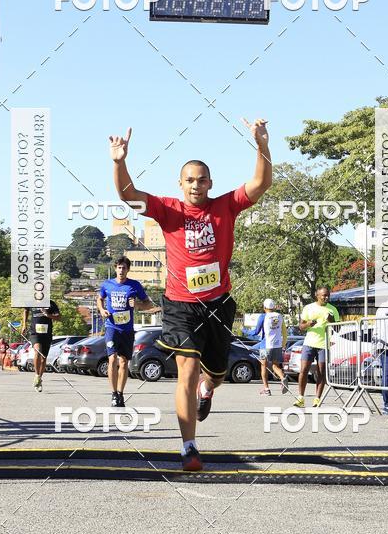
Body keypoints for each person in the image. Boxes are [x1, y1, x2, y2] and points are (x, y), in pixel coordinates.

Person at [110, 118, 272, 472]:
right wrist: (119, 161)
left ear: (210, 183)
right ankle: (189, 447)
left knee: (215, 373)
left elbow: (261, 184)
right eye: (189, 180)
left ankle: (208, 389)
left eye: (201, 180)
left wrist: (262, 146)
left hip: (218, 303)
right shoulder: (169, 209)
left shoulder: (225, 206)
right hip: (181, 304)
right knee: (186, 370)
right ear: (180, 184)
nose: (195, 185)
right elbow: (127, 195)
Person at [97, 256, 159, 407]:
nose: (121, 270)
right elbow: (100, 299)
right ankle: (113, 394)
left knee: (124, 362)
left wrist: (136, 303)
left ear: (128, 270)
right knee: (112, 359)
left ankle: (120, 393)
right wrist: (102, 310)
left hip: (127, 329)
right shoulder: (107, 285)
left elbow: (148, 304)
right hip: (112, 327)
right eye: (119, 267)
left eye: (124, 268)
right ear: (115, 269)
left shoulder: (134, 285)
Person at [295, 286, 340, 408]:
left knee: (321, 372)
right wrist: (308, 324)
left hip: (324, 345)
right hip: (309, 343)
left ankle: (317, 399)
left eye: (327, 295)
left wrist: (331, 321)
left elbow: (337, 329)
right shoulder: (308, 308)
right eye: (323, 295)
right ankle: (300, 398)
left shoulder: (333, 310)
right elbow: (301, 327)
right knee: (304, 370)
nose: (326, 297)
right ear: (317, 295)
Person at [22, 299, 61, 392]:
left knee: (43, 358)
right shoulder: (31, 302)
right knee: (37, 351)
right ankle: (36, 374)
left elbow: (59, 317)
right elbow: (25, 310)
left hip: (46, 334)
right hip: (35, 333)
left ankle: (39, 378)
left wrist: (48, 315)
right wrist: (24, 324)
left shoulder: (51, 303)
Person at [253, 298, 289, 396]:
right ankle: (282, 377)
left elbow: (256, 332)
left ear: (264, 307)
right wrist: (283, 344)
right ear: (273, 307)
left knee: (263, 366)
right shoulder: (279, 316)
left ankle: (266, 389)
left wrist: (245, 331)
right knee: (275, 366)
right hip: (277, 345)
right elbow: (285, 332)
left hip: (265, 346)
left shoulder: (263, 316)